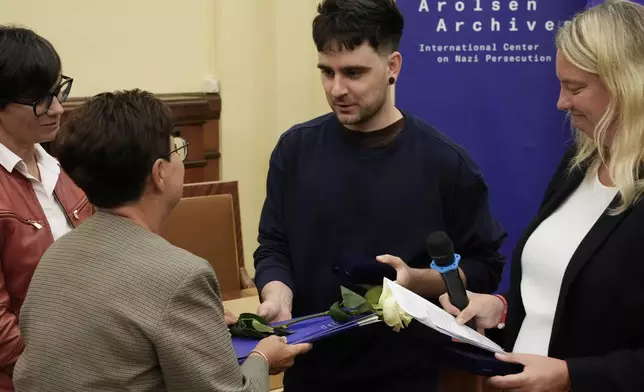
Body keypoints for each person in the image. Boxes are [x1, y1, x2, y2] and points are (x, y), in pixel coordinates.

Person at [253, 0, 506, 391]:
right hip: (310, 370)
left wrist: (418, 279)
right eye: (327, 72)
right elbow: (273, 246)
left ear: (393, 67)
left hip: (409, 374)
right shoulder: (295, 150)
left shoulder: (446, 164)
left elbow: (484, 267)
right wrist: (277, 294)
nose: (337, 89)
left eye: (353, 73)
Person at [13, 90, 311, 392]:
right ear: (159, 173)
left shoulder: (55, 254)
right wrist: (262, 357)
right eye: (175, 150)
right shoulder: (181, 276)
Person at [438, 1, 644, 391]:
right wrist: (500, 308)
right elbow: (558, 295)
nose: (561, 102)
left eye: (576, 87)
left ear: (628, 82)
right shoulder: (578, 163)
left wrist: (570, 377)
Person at [0, 26, 93, 391]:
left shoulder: (61, 166)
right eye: (40, 99)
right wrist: (58, 370)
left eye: (57, 91)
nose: (57, 108)